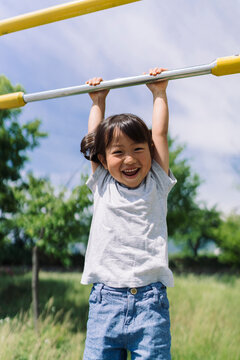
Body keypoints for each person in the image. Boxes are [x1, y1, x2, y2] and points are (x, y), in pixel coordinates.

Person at [80, 68, 177, 360]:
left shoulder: (157, 183)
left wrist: (159, 93)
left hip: (150, 304)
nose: (130, 159)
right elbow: (93, 137)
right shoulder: (103, 184)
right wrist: (98, 102)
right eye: (118, 152)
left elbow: (159, 133)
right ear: (102, 158)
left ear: (150, 152)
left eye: (138, 149)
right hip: (104, 302)